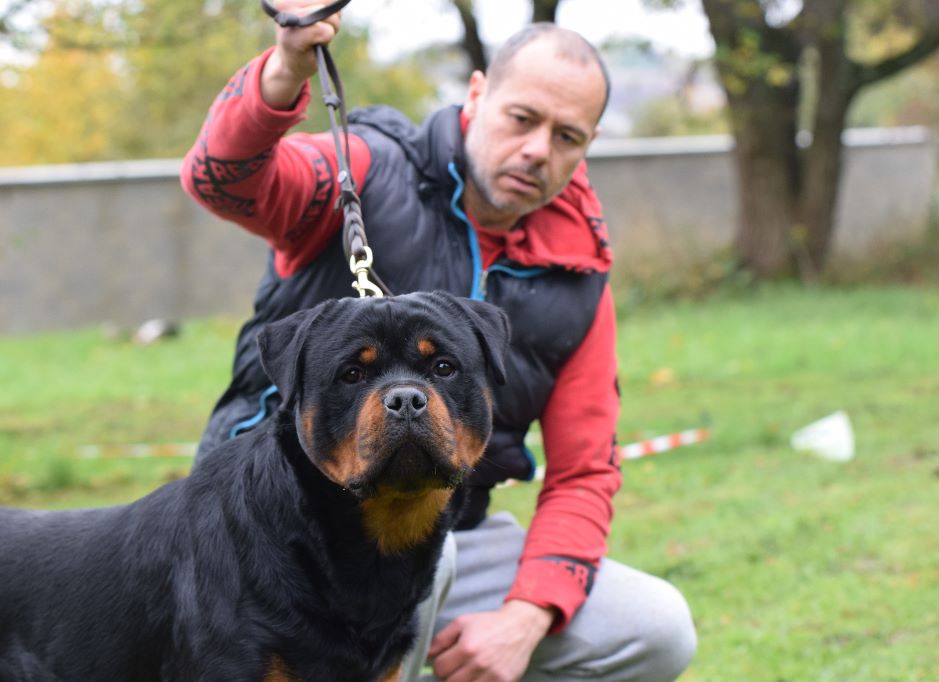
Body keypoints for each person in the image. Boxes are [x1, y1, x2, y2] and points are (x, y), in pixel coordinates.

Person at [181, 2, 697, 680]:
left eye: (568, 136)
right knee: (421, 550)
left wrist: (526, 617)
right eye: (523, 119)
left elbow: (583, 473)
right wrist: (284, 70)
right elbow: (222, 180)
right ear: (478, 95)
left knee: (654, 629)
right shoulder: (367, 169)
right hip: (277, 524)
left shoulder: (578, 274)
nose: (539, 150)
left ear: (589, 143)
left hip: (448, 522)